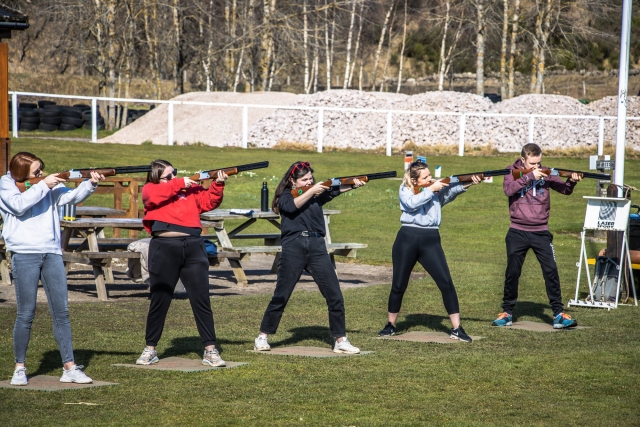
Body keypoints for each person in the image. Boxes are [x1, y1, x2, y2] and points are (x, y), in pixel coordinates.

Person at [0, 152, 104, 386]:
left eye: (41, 171)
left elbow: (72, 197)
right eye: (36, 172)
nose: (41, 175)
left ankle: (69, 367)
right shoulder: (6, 184)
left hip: (52, 252)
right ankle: (20, 367)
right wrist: (43, 185)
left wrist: (91, 183)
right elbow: (18, 206)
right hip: (24, 253)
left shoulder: (45, 187)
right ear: (21, 172)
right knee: (26, 313)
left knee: (62, 312)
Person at [254, 161, 364, 354]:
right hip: (294, 247)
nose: (309, 182)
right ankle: (263, 337)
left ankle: (340, 339)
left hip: (317, 247)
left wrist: (353, 184)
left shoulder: (315, 194)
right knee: (281, 295)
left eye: (311, 179)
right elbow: (291, 207)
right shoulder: (286, 196)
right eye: (304, 180)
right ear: (292, 181)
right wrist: (312, 190)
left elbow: (335, 190)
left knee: (335, 295)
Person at [136, 160, 228, 367]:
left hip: (193, 246)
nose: (173, 178)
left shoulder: (190, 188)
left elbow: (208, 203)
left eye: (174, 174)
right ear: (156, 178)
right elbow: (152, 197)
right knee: (160, 299)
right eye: (168, 176)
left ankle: (210, 350)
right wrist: (178, 183)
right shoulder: (151, 188)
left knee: (201, 299)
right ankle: (150, 348)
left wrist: (218, 184)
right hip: (164, 247)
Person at [378, 160, 480, 342]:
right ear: (415, 180)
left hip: (431, 240)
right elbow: (411, 204)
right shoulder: (405, 189)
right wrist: (431, 189)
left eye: (430, 175)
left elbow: (449, 193)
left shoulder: (433, 190)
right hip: (407, 238)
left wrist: (469, 182)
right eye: (426, 177)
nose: (430, 178)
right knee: (399, 285)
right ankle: (390, 325)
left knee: (446, 283)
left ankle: (457, 328)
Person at [492, 143, 582, 329]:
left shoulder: (546, 172)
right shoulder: (511, 171)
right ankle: (507, 312)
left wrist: (572, 181)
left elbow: (565, 190)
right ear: (523, 160)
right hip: (517, 231)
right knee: (512, 273)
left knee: (551, 271)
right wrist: (530, 177)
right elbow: (509, 190)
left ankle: (558, 313)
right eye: (532, 164)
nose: (537, 167)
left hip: (541, 231)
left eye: (539, 163)